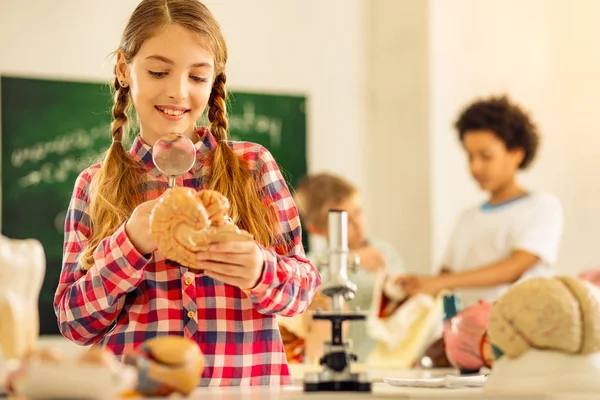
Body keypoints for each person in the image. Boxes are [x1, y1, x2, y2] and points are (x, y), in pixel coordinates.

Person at [53, 0, 320, 386]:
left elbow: (302, 294)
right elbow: (73, 323)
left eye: (197, 77)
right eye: (159, 71)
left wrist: (261, 269)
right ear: (124, 70)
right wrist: (129, 244)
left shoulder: (254, 167)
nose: (178, 92)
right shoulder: (94, 185)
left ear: (215, 81)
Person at [398, 95, 564, 308]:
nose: (475, 167)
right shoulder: (467, 219)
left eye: (486, 156)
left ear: (516, 154)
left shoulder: (541, 206)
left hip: (518, 333)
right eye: (470, 157)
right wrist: (416, 288)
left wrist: (440, 282)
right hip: (464, 335)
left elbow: (514, 268)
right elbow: (443, 282)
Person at [285, 172, 404, 363]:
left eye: (358, 211)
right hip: (330, 364)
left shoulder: (386, 254)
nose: (358, 224)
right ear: (316, 229)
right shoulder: (309, 266)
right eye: (345, 220)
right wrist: (348, 260)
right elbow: (311, 302)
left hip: (384, 364)